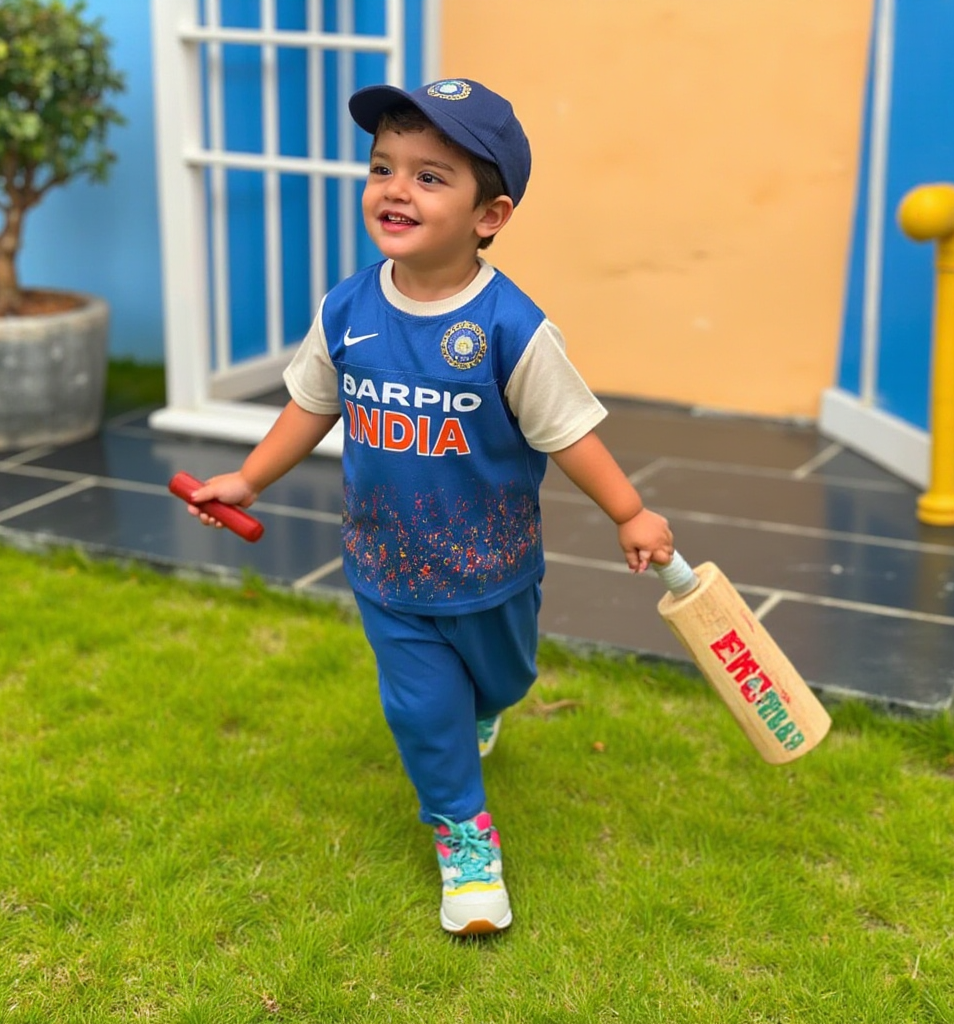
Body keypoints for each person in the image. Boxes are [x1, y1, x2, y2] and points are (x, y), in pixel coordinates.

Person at [186, 78, 674, 936]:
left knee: (506, 678)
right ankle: (463, 836)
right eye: (382, 167)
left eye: (429, 175)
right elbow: (310, 403)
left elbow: (570, 433)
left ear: (491, 214)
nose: (395, 189)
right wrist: (249, 480)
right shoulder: (347, 308)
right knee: (419, 707)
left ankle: (486, 705)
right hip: (386, 563)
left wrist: (631, 512)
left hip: (494, 567)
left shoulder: (511, 329)